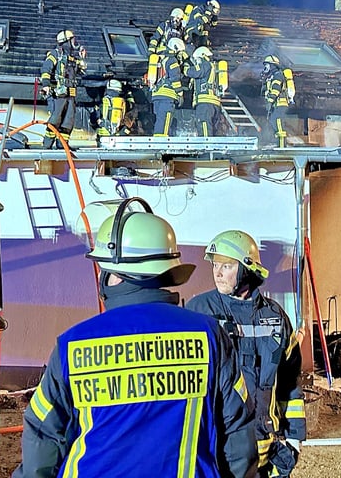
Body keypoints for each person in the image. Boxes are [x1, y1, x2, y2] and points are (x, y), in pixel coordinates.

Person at [14, 198, 259, 478]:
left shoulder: (71, 345)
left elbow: (42, 441)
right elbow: (239, 438)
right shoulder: (210, 335)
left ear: (115, 277)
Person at [186, 230, 306, 478]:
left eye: (227, 266)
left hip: (267, 453)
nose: (217, 273)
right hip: (216, 453)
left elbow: (289, 382)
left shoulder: (275, 318)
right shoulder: (198, 312)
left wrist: (294, 438)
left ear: (246, 269)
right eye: (215, 265)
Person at [40, 29, 87, 149]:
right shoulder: (55, 54)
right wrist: (46, 85)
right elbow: (46, 69)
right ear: (66, 41)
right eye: (72, 39)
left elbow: (81, 72)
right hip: (58, 94)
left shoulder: (73, 58)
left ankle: (63, 145)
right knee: (55, 119)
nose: (75, 42)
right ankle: (47, 145)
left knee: (68, 120)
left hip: (70, 94)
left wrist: (82, 59)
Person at [149, 37, 188, 137]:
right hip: (167, 96)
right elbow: (175, 79)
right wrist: (180, 94)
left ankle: (157, 141)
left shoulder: (160, 57)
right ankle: (160, 145)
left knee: (160, 122)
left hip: (157, 95)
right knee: (164, 123)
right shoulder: (172, 60)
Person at [184, 46, 224, 137]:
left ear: (202, 56)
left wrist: (186, 66)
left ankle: (206, 147)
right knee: (211, 128)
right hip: (213, 102)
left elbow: (192, 72)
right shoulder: (212, 66)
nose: (196, 61)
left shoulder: (205, 64)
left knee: (204, 124)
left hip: (205, 102)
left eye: (197, 59)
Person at [261, 54, 296, 148]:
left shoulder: (277, 75)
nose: (265, 67)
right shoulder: (271, 77)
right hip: (276, 104)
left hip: (280, 103)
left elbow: (276, 89)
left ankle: (281, 146)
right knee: (273, 121)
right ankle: (277, 143)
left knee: (277, 122)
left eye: (267, 65)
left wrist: (270, 101)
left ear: (272, 65)